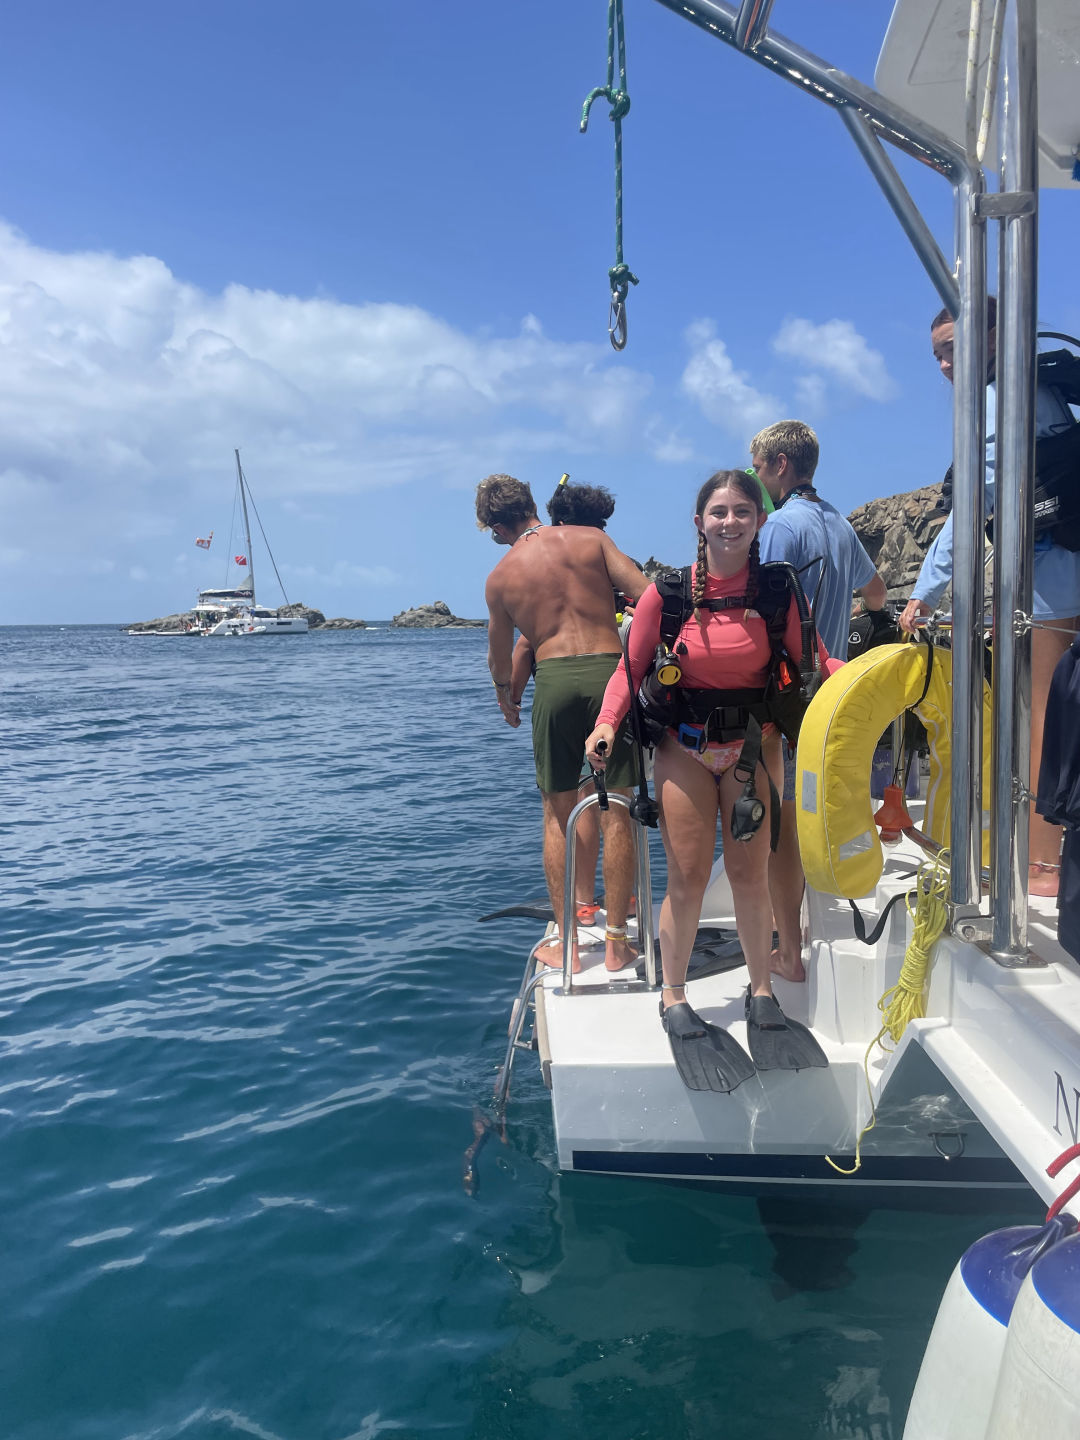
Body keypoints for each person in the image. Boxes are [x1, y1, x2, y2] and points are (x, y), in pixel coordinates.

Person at [585, 470, 834, 1090]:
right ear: (699, 523)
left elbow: (818, 660)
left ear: (759, 520)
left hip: (755, 747)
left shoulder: (779, 593)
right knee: (690, 875)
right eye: (718, 512)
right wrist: (607, 723)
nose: (730, 522)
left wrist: (868, 683)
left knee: (749, 875)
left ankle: (761, 992)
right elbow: (629, 667)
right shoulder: (666, 596)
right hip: (686, 750)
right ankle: (674, 997)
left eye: (742, 511)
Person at [898, 299, 1080, 896]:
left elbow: (973, 508)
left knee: (1039, 718)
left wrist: (926, 593)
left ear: (996, 336)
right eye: (938, 355)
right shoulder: (1040, 391)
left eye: (954, 348)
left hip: (1050, 583)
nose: (946, 365)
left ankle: (1042, 866)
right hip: (1061, 570)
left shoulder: (1001, 402)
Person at [479, 473, 649, 971]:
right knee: (617, 808)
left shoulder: (499, 577)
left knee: (557, 814)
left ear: (494, 527)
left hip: (553, 682)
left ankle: (569, 947)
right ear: (532, 503)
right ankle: (616, 944)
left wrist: (506, 697)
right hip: (611, 675)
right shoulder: (591, 539)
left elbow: (500, 658)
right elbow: (648, 596)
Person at [750, 420, 888, 981]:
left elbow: (761, 612)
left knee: (778, 826)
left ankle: (788, 949)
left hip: (781, 698)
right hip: (827, 695)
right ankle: (801, 927)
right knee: (807, 812)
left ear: (780, 464)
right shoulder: (838, 522)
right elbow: (876, 593)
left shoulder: (781, 527)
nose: (756, 480)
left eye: (758, 469)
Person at [508, 477, 632, 921]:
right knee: (617, 802)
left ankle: (582, 901)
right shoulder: (612, 557)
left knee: (577, 798)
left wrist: (511, 697)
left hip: (562, 686)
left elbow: (524, 646)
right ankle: (625, 903)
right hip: (618, 684)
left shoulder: (548, 566)